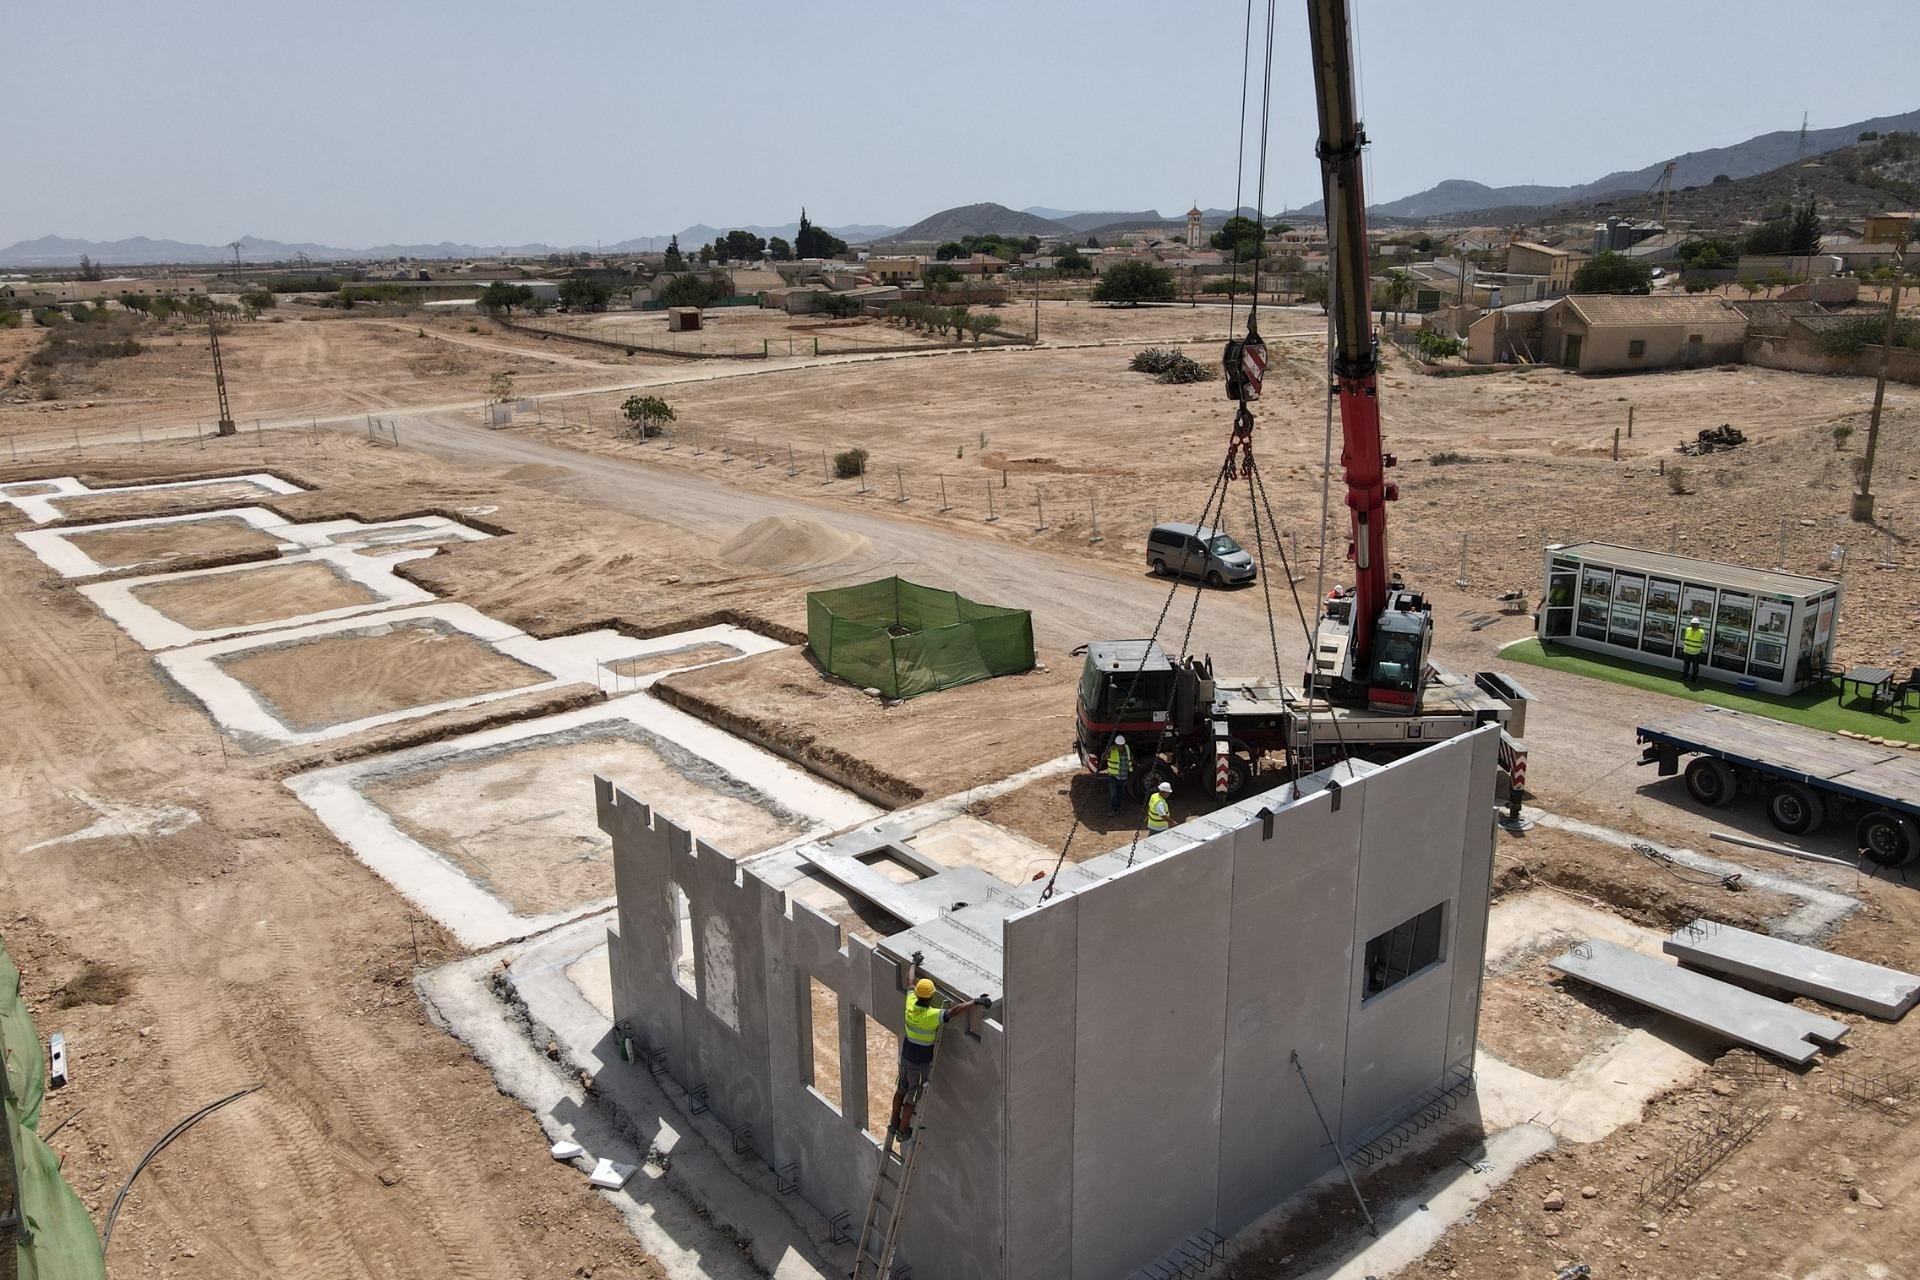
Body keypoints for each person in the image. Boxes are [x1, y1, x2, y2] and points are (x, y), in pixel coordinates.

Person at [889, 968, 991, 1141]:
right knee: (912, 1098)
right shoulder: (931, 1015)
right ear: (930, 997)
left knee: (900, 1090)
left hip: (905, 1059)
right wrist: (976, 1002)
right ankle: (903, 1130)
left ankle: (893, 1123)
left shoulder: (910, 1004)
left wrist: (913, 964)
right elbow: (955, 1010)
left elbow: (910, 983)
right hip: (918, 1064)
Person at [1103, 733, 1132, 816]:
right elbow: (1104, 757)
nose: (1120, 747)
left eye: (1122, 745)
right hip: (1114, 776)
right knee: (1114, 794)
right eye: (1119, 745)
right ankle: (1114, 809)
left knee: (1121, 793)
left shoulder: (1127, 748)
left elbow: (1130, 757)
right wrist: (1107, 750)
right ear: (1116, 745)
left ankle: (1119, 808)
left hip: (1124, 776)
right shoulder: (1112, 750)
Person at [1680, 615, 1707, 683]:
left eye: (1695, 624)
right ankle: (1686, 676)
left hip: (1695, 653)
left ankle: (1693, 678)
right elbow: (1703, 642)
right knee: (1687, 666)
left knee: (1694, 667)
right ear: (1691, 624)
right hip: (1687, 651)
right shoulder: (1688, 629)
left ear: (1698, 625)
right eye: (1693, 624)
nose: (1694, 625)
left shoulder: (1701, 632)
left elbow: (1703, 642)